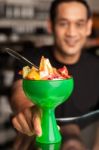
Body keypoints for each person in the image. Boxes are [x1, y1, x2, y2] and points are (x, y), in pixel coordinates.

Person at [10, 0, 99, 149]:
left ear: (88, 27)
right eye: (63, 23)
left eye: (79, 24)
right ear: (50, 25)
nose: (71, 32)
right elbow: (19, 93)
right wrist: (28, 111)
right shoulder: (30, 59)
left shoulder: (97, 65)